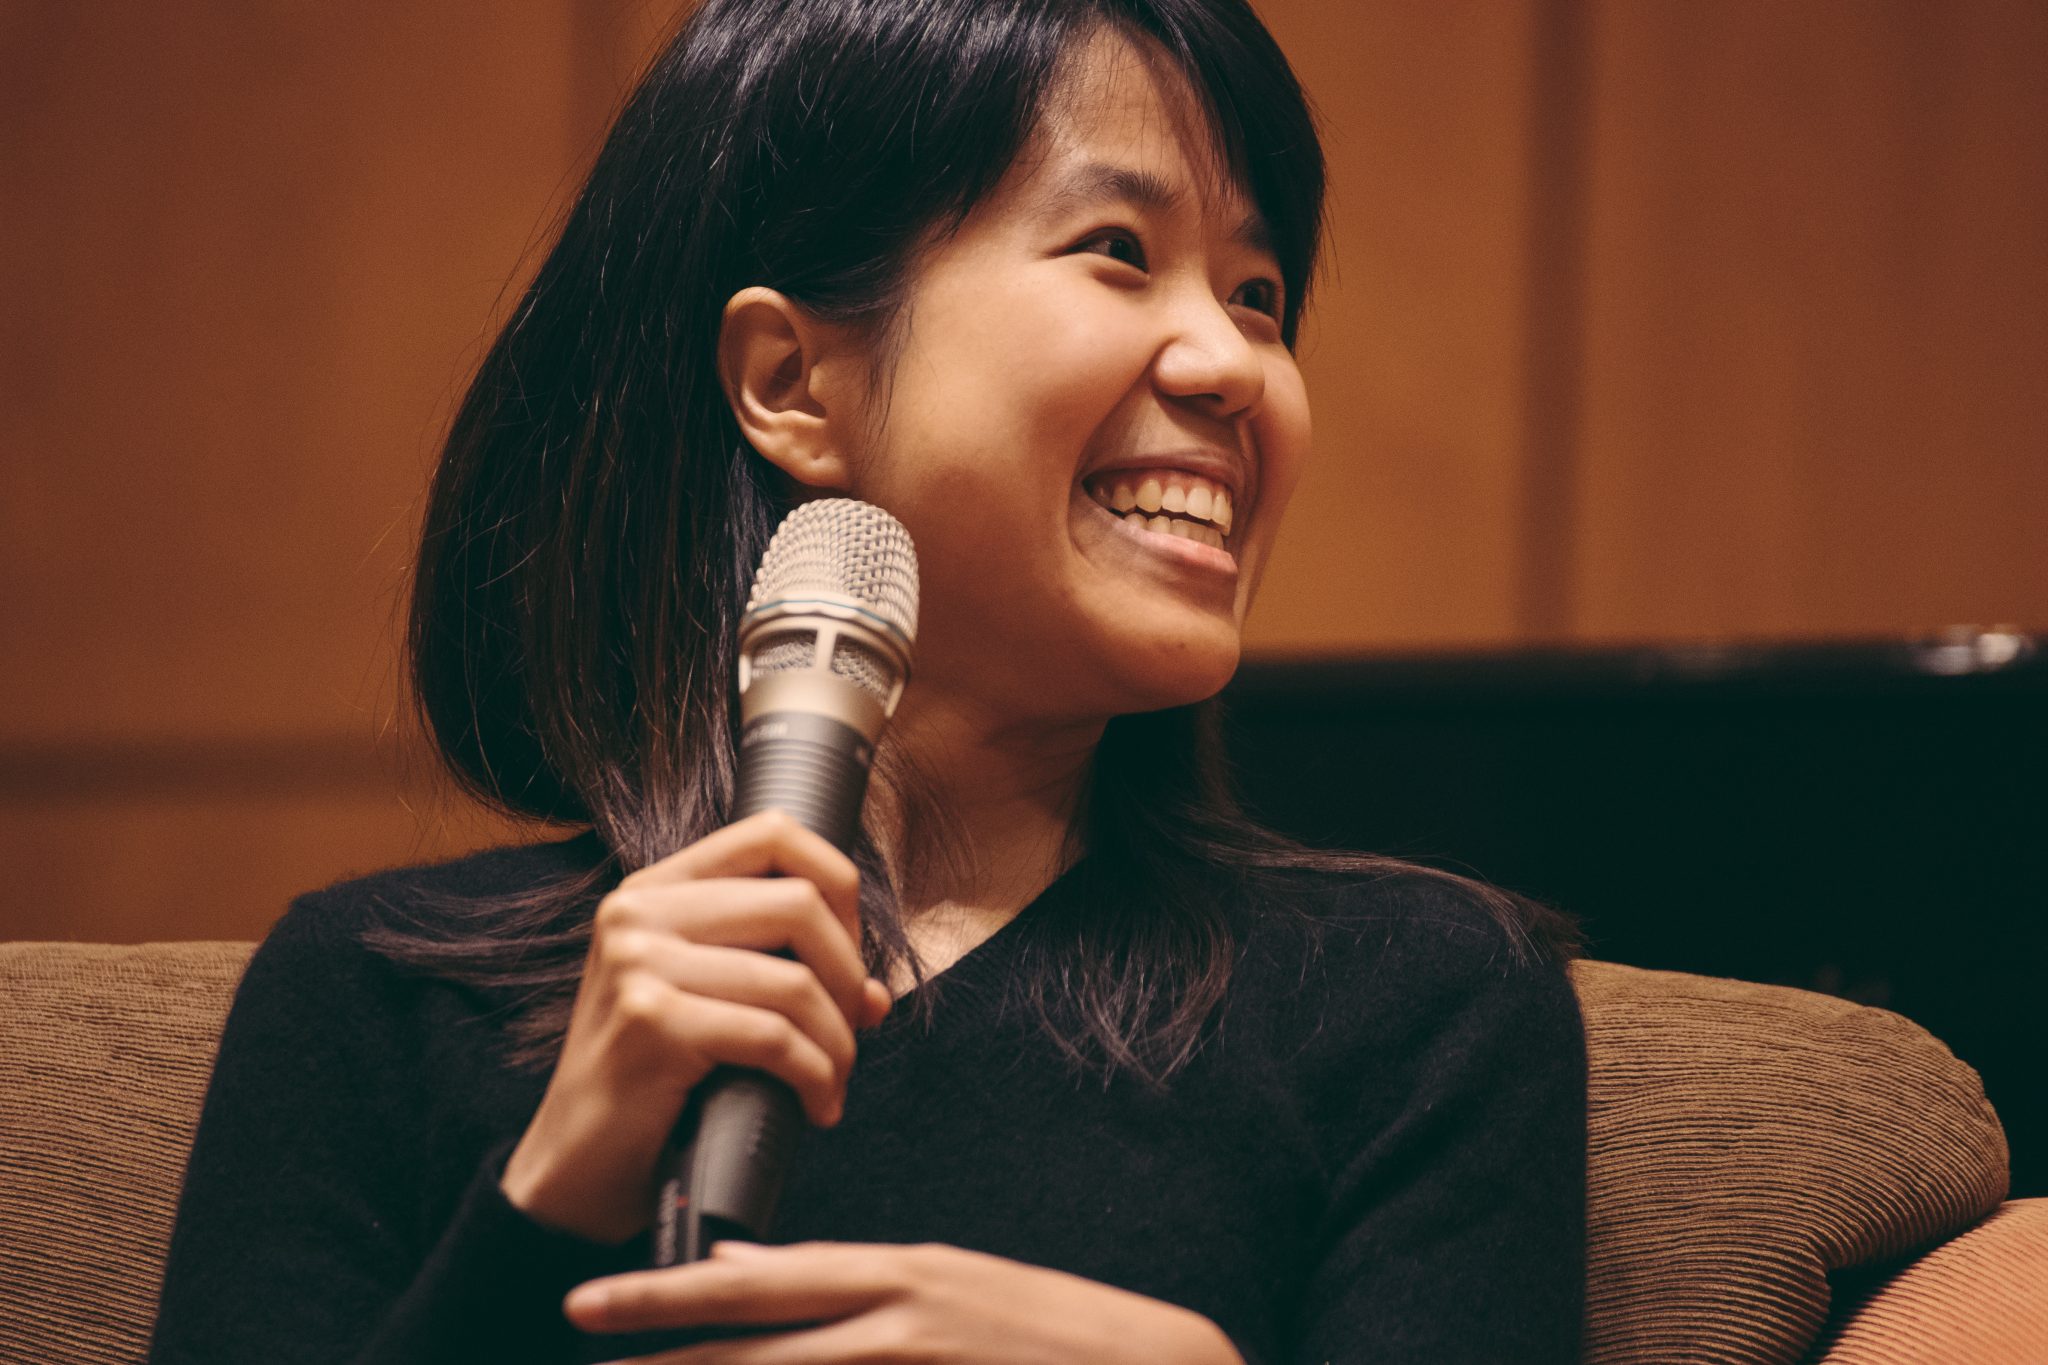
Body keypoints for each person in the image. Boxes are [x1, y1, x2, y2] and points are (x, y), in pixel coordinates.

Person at [148, 1, 1587, 1361]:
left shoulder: (1423, 1006)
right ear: (790, 381)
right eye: (1117, 248)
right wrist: (552, 1195)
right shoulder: (376, 996)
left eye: (1259, 294)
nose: (1235, 364)